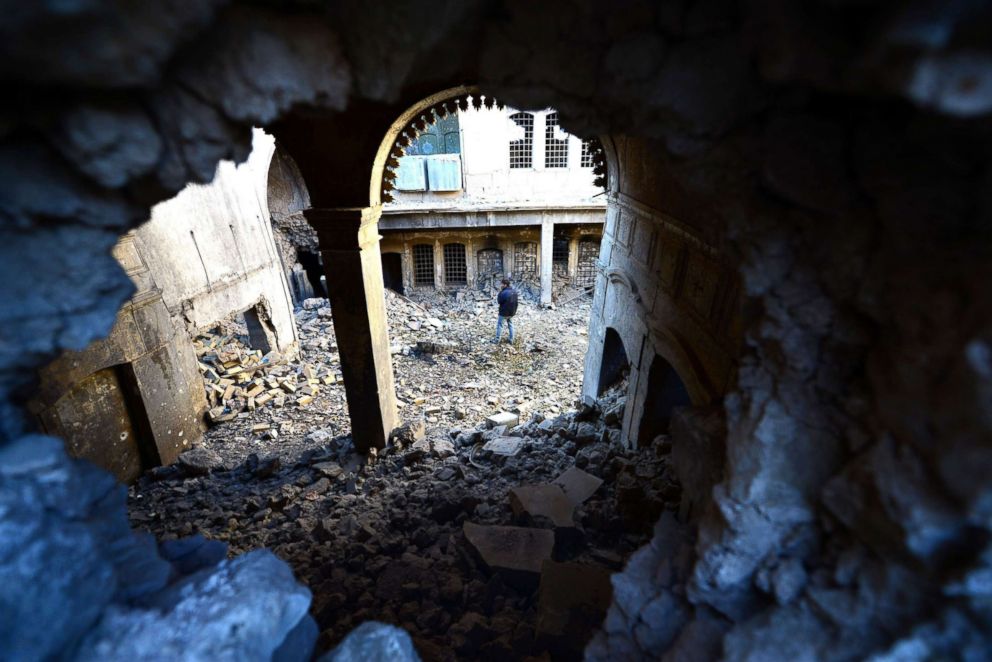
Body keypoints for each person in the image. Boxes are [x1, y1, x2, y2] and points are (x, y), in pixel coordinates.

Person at [494, 278, 518, 344]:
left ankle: (497, 340)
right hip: (511, 312)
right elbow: (516, 303)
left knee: (500, 325)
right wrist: (514, 312)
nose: (500, 285)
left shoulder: (503, 293)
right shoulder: (514, 292)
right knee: (510, 325)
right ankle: (511, 339)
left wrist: (500, 292)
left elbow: (499, 301)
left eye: (501, 284)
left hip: (503, 313)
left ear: (505, 285)